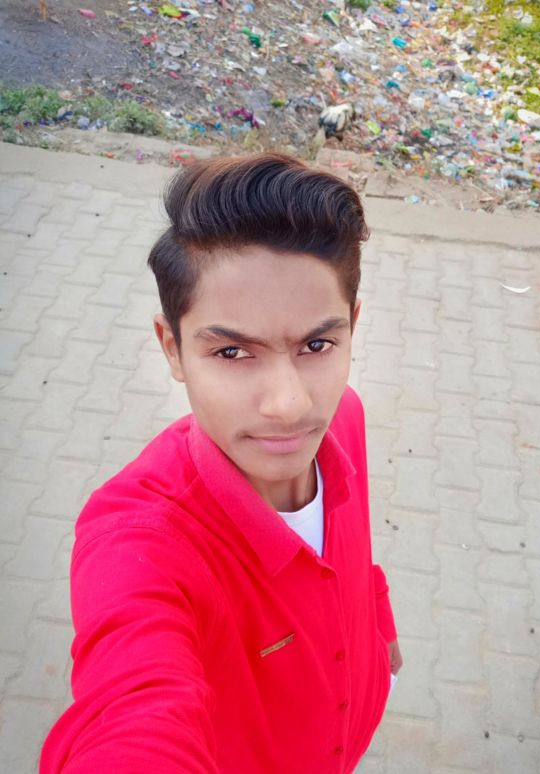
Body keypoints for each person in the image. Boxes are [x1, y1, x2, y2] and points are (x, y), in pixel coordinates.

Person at [40, 152, 402, 773]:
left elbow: (357, 552)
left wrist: (380, 627)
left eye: (318, 344)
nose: (289, 406)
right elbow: (132, 710)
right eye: (233, 352)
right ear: (172, 348)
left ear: (353, 327)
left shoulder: (343, 419)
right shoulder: (140, 542)